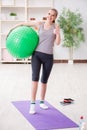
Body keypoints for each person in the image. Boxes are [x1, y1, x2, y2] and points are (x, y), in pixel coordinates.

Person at [15, 8, 61, 114]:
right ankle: (32, 104)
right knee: (34, 79)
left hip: (49, 57)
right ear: (47, 14)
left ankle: (42, 102)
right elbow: (24, 24)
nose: (50, 16)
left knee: (44, 81)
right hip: (37, 55)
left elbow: (58, 43)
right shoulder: (39, 24)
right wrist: (13, 27)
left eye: (53, 15)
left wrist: (58, 33)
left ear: (55, 17)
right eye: (49, 14)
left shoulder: (56, 27)